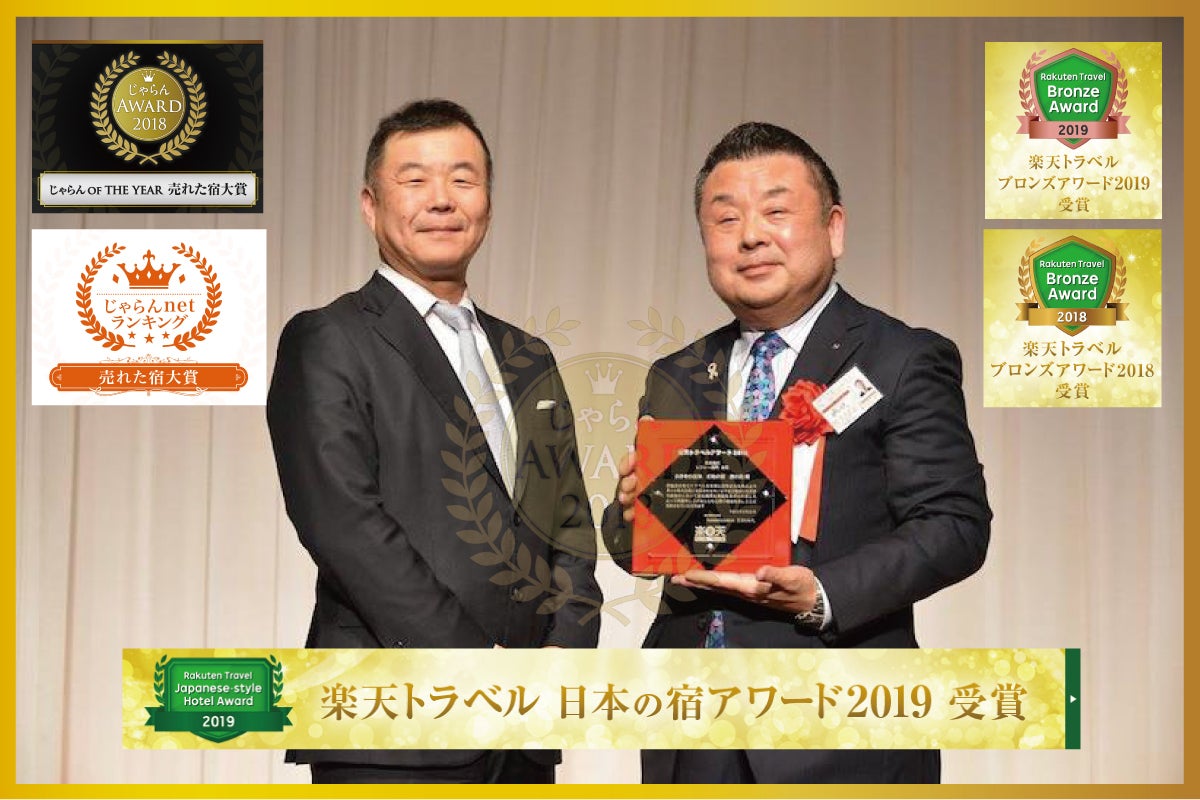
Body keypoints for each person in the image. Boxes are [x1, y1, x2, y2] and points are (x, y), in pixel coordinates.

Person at [602, 121, 991, 783]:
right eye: (726, 219)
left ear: (833, 229)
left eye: (776, 212)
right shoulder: (679, 372)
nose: (751, 236)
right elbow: (640, 547)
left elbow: (955, 526)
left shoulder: (900, 359)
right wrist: (632, 515)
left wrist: (822, 593)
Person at [267, 99, 602, 784]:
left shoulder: (529, 356)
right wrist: (476, 671)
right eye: (415, 179)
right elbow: (345, 526)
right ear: (370, 206)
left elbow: (566, 523)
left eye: (462, 178)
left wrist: (561, 659)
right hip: (391, 729)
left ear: (488, 204)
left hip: (524, 730)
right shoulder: (328, 339)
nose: (442, 199)